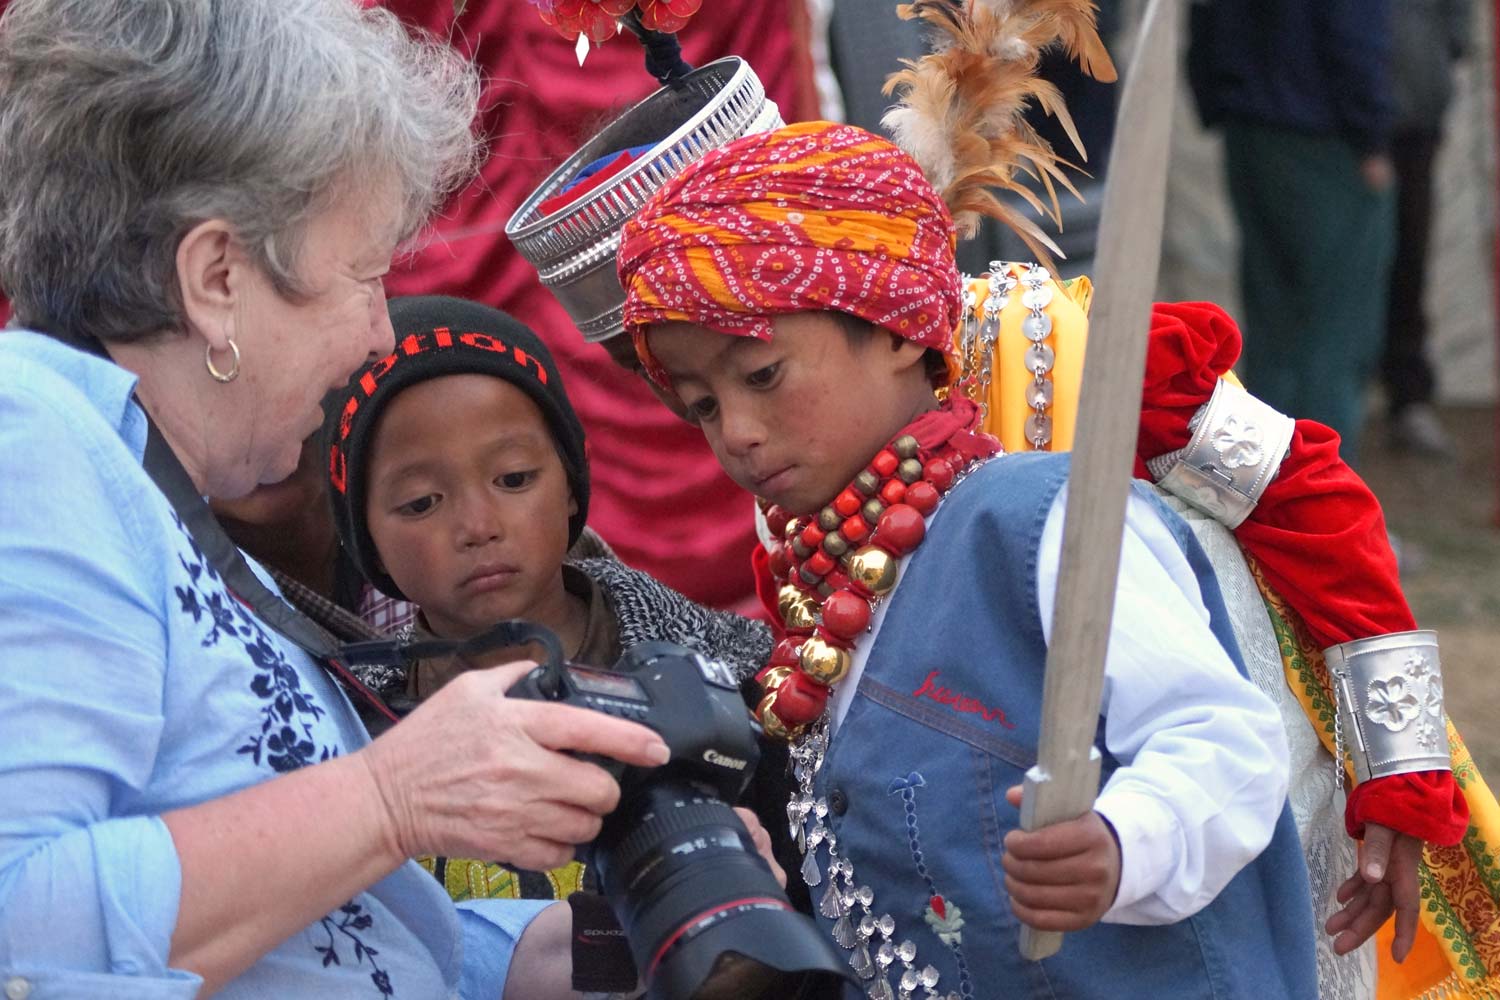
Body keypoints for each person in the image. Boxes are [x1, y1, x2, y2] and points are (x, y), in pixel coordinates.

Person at [0, 2, 676, 996]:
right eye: (362, 276)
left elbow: (315, 938)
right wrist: (394, 798)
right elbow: (22, 922)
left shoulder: (116, 459)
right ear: (215, 277)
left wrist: (548, 951)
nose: (376, 336)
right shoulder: (35, 444)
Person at [616, 119, 1319, 997]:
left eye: (760, 376)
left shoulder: (1036, 520)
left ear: (900, 329)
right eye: (702, 407)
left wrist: (1121, 842)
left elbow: (1223, 739)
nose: (739, 435)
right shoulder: (830, 585)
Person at [1188, 0, 1397, 463]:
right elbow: (1353, 36)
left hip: (1250, 127)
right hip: (1324, 138)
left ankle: (1266, 489)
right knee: (1335, 331)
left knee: (1272, 324)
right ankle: (1324, 499)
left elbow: (1202, 19)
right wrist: (1373, 136)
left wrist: (1218, 99)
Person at [1381, 0, 1474, 456]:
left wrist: (1432, 66)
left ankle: (1407, 397)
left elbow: (1458, 25)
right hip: (1341, 125)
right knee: (1339, 272)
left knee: (1409, 261)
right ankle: (1327, 405)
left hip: (1414, 121)